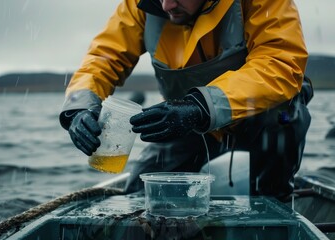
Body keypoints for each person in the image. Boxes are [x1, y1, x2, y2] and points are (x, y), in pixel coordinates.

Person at [59, 0, 313, 201]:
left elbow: (280, 62)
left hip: (256, 118)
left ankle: (273, 209)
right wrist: (79, 107)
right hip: (181, 120)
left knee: (283, 115)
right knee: (139, 194)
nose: (166, 5)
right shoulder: (138, 5)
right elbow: (104, 57)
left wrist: (201, 106)